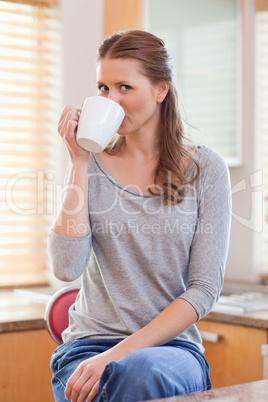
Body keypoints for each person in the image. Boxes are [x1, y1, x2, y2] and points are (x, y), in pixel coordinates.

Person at [48, 30, 231, 402]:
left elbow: (204, 290)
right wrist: (80, 162)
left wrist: (118, 355)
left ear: (161, 90)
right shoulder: (88, 165)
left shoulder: (206, 168)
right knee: (121, 381)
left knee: (136, 375)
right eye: (102, 88)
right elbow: (67, 268)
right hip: (88, 348)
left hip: (172, 351)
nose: (110, 100)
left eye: (124, 87)